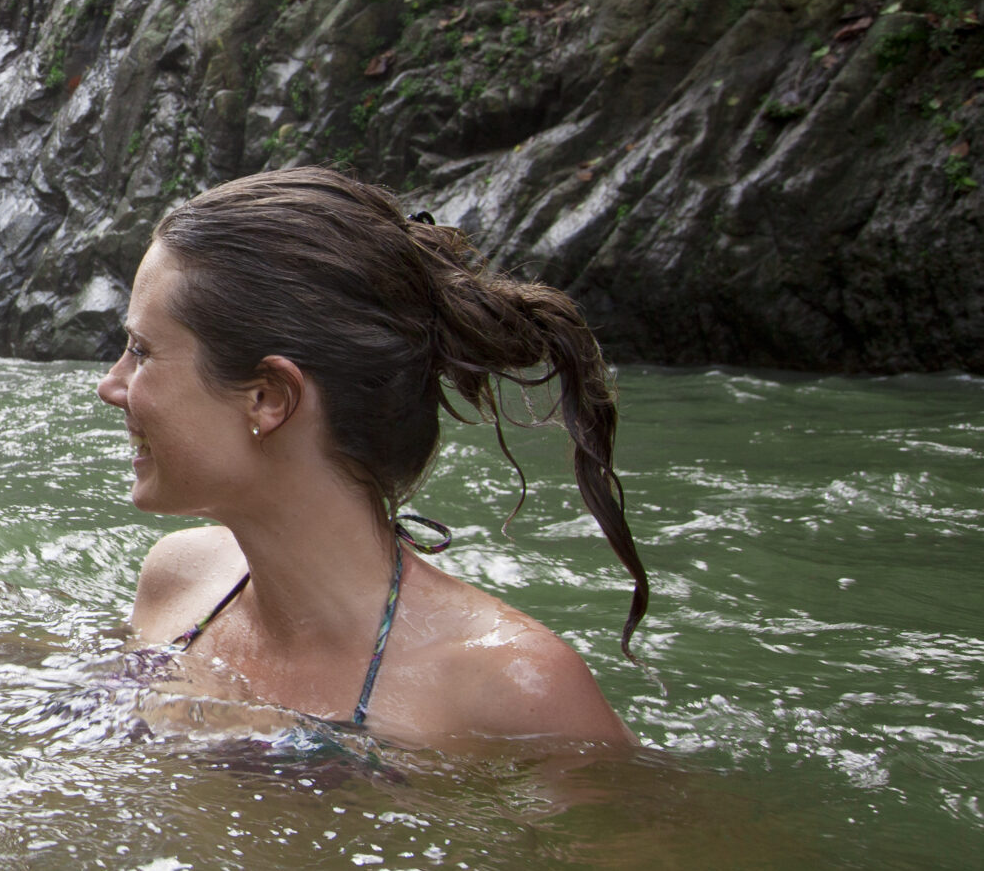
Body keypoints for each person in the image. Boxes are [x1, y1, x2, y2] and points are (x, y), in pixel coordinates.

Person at [100, 167, 650, 748]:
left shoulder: (513, 687)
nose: (111, 386)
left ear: (268, 398)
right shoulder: (179, 580)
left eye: (141, 350)